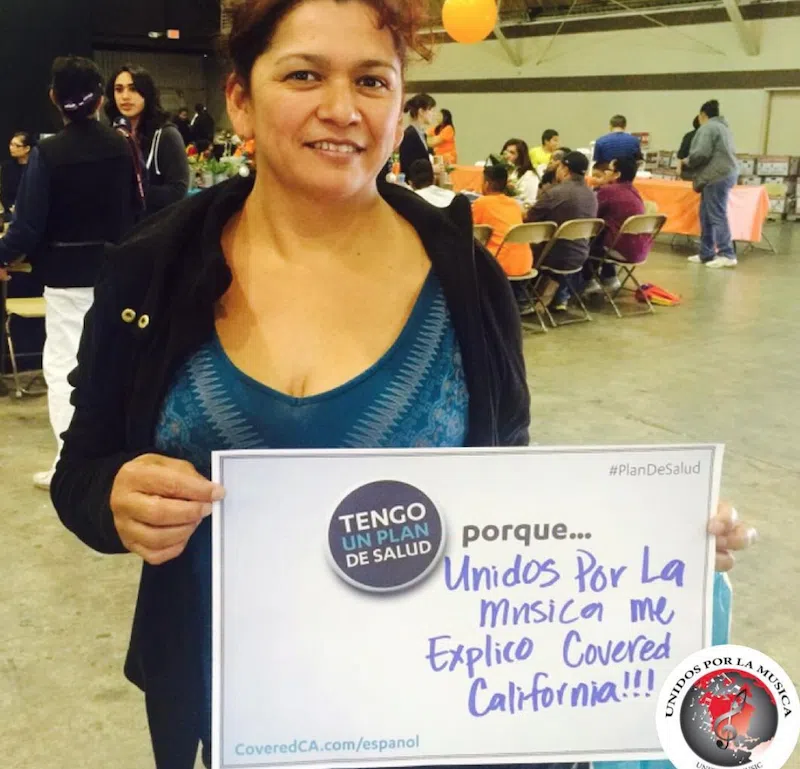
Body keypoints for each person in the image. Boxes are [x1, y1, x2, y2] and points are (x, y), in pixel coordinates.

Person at [50, 2, 532, 765]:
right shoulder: (153, 270)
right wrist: (115, 497)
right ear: (240, 98)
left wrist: (653, 534)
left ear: (400, 103)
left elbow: (513, 488)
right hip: (226, 706)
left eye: (372, 80)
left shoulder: (467, 283)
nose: (341, 109)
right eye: (305, 75)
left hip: (418, 708)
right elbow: (80, 471)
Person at [0, 56, 139, 489]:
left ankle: (70, 467)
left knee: (64, 369)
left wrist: (3, 255)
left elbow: (27, 226)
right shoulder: (121, 146)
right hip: (116, 275)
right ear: (100, 99)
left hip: (65, 279)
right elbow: (138, 211)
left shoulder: (48, 154)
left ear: (54, 98)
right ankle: (116, 461)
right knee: (115, 366)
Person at [105, 65, 190, 215]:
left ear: (147, 93)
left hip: (156, 225)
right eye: (119, 89)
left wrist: (131, 192)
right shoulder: (111, 134)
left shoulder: (166, 135)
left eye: (133, 89)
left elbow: (178, 191)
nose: (125, 96)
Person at [526, 151, 598, 311]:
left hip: (553, 256)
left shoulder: (556, 193)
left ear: (565, 169)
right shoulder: (591, 194)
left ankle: (522, 299)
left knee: (518, 245)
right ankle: (560, 297)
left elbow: (529, 217)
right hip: (580, 255)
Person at [683, 99, 739, 268]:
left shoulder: (708, 128)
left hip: (716, 176)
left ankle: (727, 254)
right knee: (706, 215)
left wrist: (687, 161)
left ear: (702, 115)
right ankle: (706, 253)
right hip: (722, 174)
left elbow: (701, 153)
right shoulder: (723, 128)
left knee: (716, 214)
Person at [582, 155, 647, 295]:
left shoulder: (608, 191)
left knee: (581, 243)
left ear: (617, 174)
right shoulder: (634, 191)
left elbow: (591, 216)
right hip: (639, 249)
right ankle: (609, 277)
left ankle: (588, 281)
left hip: (620, 249)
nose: (606, 172)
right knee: (605, 235)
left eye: (609, 170)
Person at [471, 164, 531, 278]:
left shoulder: (481, 203)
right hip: (525, 264)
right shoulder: (514, 204)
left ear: (486, 184)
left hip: (498, 266)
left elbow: (467, 230)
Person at [399, 92, 436, 175]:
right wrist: (431, 169)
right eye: (431, 110)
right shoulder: (409, 135)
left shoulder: (422, 134)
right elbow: (407, 165)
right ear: (421, 111)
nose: (433, 114)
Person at [1, 132, 33, 224]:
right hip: (12, 210)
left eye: (17, 146)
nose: (12, 148)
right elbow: (4, 193)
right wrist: (11, 207)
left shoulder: (36, 167)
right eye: (11, 144)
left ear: (27, 148)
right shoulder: (7, 167)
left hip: (32, 209)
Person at [502, 138, 539, 207]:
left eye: (512, 153)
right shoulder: (506, 171)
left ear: (521, 156)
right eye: (506, 152)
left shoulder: (529, 175)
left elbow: (529, 202)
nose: (507, 156)